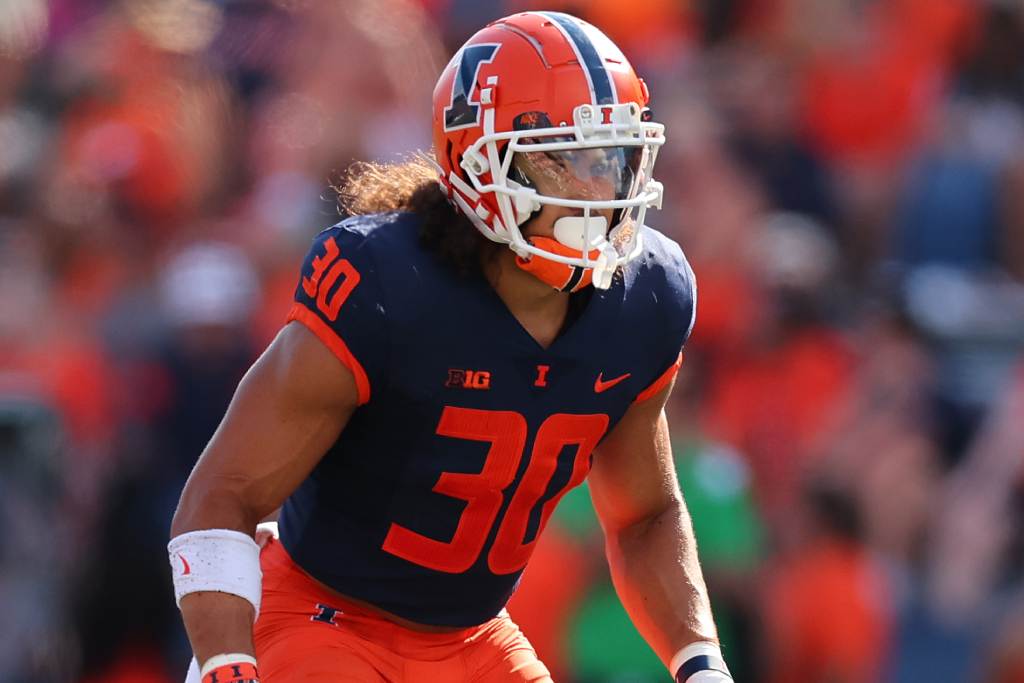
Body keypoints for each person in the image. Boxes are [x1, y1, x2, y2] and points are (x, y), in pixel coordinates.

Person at [168, 11, 730, 683]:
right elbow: (222, 495)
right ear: (478, 161)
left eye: (612, 158)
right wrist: (230, 664)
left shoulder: (645, 299)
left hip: (472, 637)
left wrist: (701, 663)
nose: (598, 191)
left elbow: (645, 513)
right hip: (321, 617)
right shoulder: (386, 286)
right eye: (564, 159)